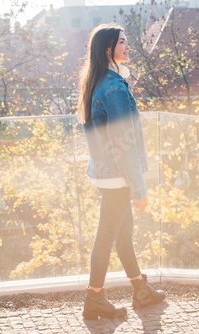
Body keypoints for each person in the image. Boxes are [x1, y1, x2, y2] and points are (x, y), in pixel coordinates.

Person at [78, 23, 166, 320]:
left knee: (123, 234)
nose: (128, 47)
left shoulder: (99, 82)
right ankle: (94, 300)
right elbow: (124, 143)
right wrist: (138, 187)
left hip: (107, 173)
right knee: (107, 237)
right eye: (123, 42)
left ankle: (140, 291)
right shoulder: (114, 88)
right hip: (118, 176)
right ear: (108, 49)